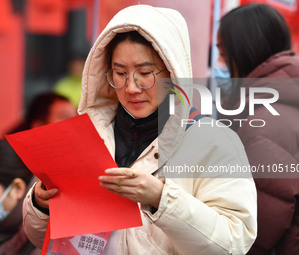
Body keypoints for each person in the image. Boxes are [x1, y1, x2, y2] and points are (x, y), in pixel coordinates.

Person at [23, 5, 257, 254]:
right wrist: (40, 203)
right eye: (120, 73)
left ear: (172, 72)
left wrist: (161, 198)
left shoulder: (214, 141)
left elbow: (234, 242)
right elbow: (40, 238)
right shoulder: (85, 135)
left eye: (145, 73)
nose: (131, 87)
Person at [217, 4, 299, 255]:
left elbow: (255, 230)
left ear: (246, 51)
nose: (218, 63)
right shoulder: (281, 101)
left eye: (224, 53)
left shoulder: (265, 123)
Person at [9, 92, 77, 133]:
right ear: (39, 126)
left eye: (75, 117)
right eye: (65, 116)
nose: (75, 123)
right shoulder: (9, 154)